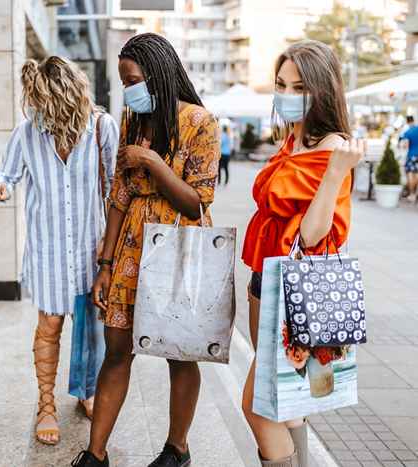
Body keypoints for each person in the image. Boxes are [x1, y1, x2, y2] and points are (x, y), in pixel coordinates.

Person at [72, 33, 220, 467]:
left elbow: (196, 201)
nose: (128, 90)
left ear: (157, 75)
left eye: (133, 80)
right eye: (123, 82)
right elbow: (119, 194)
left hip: (178, 246)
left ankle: (177, 448)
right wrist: (105, 262)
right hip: (132, 248)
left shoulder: (200, 122)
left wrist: (155, 163)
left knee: (179, 352)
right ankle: (95, 454)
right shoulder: (132, 119)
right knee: (116, 350)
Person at [240, 40, 365, 467]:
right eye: (281, 85)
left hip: (296, 289)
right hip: (266, 278)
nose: (287, 96)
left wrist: (334, 174)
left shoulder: (334, 147)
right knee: (288, 405)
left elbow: (315, 236)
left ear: (322, 91)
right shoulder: (295, 138)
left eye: (299, 88)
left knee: (258, 407)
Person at [0, 56, 119, 446]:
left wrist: (109, 246)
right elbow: (7, 174)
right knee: (50, 326)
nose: (48, 115)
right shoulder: (27, 133)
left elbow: (115, 188)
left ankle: (86, 392)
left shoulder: (101, 128)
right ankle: (46, 403)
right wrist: (0, 187)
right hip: (47, 252)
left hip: (90, 248)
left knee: (90, 327)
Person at [399, 115, 418, 202]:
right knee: (417, 175)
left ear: (407, 122)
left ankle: (412, 194)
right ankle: (416, 194)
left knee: (410, 174)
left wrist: (402, 146)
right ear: (413, 120)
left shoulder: (408, 132)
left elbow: (406, 145)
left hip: (411, 155)